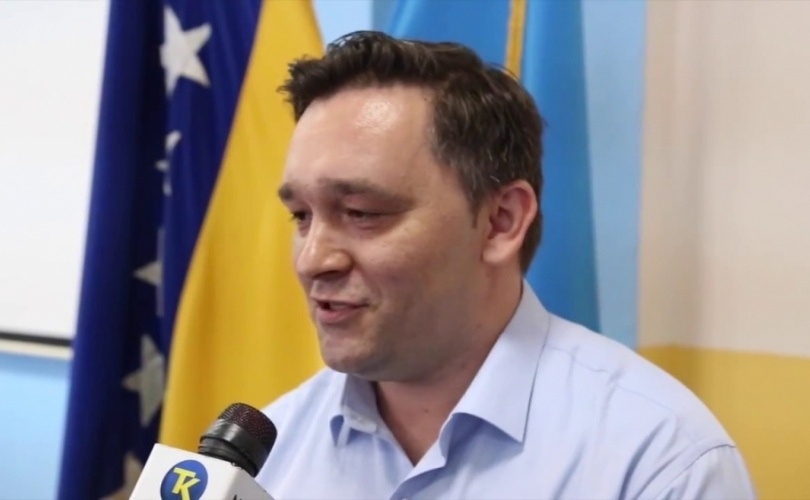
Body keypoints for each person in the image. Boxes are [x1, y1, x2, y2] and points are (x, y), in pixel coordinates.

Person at [256, 31, 755, 499]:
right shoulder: (264, 458)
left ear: (500, 222)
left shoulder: (659, 461)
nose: (314, 259)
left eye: (362, 213)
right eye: (301, 216)